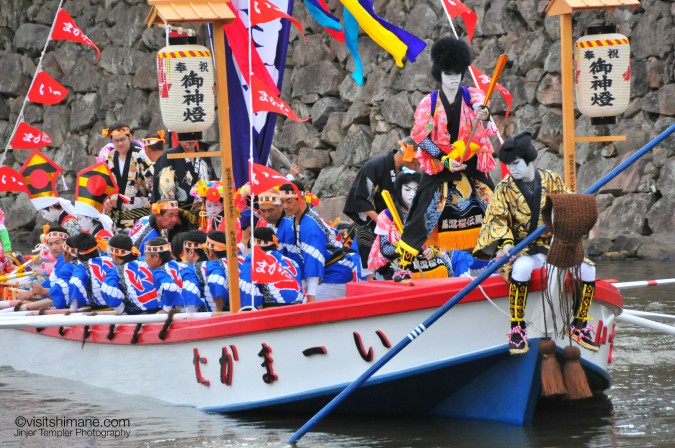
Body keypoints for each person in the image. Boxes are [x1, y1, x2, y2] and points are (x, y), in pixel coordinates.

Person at [473, 131, 598, 355]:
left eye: (516, 163)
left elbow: (568, 205)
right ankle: (517, 327)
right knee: (521, 269)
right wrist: (507, 243)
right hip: (521, 249)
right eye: (508, 165)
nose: (511, 169)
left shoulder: (552, 180)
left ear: (529, 160)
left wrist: (572, 210)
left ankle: (579, 323)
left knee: (588, 268)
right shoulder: (504, 188)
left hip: (552, 245)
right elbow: (496, 219)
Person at [396, 36, 496, 276]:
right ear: (439, 73)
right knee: (421, 208)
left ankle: (505, 252)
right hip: (440, 164)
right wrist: (444, 158)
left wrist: (484, 113)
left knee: (494, 201)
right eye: (448, 74)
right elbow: (420, 137)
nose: (453, 79)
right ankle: (404, 265)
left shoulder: (472, 96)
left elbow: (483, 106)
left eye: (457, 74)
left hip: (469, 160)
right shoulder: (428, 103)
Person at [368, 170, 487, 281]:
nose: (412, 194)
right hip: (400, 264)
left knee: (461, 257)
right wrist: (401, 249)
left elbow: (438, 238)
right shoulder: (388, 215)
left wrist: (432, 249)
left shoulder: (430, 210)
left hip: (430, 260)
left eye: (416, 190)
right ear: (399, 191)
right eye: (408, 190)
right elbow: (384, 249)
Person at [343, 137, 421, 279]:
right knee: (371, 264)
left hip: (396, 224)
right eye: (416, 162)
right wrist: (382, 220)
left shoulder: (405, 174)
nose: (417, 166)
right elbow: (360, 198)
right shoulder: (375, 166)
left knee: (398, 262)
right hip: (372, 222)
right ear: (408, 156)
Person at [277, 180, 357, 302]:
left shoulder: (310, 225)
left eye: (289, 201)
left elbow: (313, 260)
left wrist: (311, 296)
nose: (285, 206)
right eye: (282, 202)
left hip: (335, 274)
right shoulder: (298, 218)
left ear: (302, 198)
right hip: (328, 272)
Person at [151, 137, 217, 227]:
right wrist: (173, 215)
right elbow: (163, 190)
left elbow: (213, 183)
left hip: (204, 215)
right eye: (186, 136)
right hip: (177, 218)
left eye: (193, 135)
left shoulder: (204, 156)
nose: (190, 139)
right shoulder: (168, 156)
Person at [102, 123, 152, 228]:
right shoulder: (108, 158)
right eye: (116, 140)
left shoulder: (139, 154)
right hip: (115, 215)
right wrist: (105, 199)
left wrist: (153, 198)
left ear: (130, 137)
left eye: (123, 139)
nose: (120, 143)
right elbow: (105, 183)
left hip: (137, 213)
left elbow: (152, 178)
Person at [240, 227, 304, 309]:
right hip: (298, 308)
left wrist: (248, 309)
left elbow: (248, 286)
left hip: (273, 310)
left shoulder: (254, 258)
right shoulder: (292, 262)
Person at [20, 150, 78, 236]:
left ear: (51, 207)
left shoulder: (69, 222)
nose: (43, 217)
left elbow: (71, 245)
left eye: (43, 212)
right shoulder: (64, 219)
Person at [101, 234, 160, 314]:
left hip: (138, 317)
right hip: (164, 311)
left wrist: (121, 310)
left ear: (114, 256)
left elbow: (107, 292)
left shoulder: (115, 272)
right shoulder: (148, 261)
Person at [68, 233, 115, 310]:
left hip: (100, 312)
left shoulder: (82, 267)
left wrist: (73, 307)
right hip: (122, 308)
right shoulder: (111, 260)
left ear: (77, 254)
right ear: (97, 249)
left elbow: (75, 282)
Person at [73, 163, 117, 243]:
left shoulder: (103, 237)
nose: (78, 223)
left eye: (80, 218)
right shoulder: (96, 234)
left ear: (90, 217)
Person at [202, 230, 242, 312]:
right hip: (252, 309)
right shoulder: (242, 260)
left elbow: (217, 282)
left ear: (211, 253)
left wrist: (218, 310)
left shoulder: (215, 264)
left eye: (205, 251)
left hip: (232, 314)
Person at [144, 237, 184, 313]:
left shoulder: (159, 272)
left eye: (146, 256)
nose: (145, 260)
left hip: (181, 316)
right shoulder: (182, 265)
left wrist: (167, 310)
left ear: (156, 256)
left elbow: (171, 288)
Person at [180, 230, 213, 312]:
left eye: (184, 252)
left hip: (207, 320)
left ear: (191, 252)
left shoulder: (190, 270)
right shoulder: (221, 265)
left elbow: (191, 302)